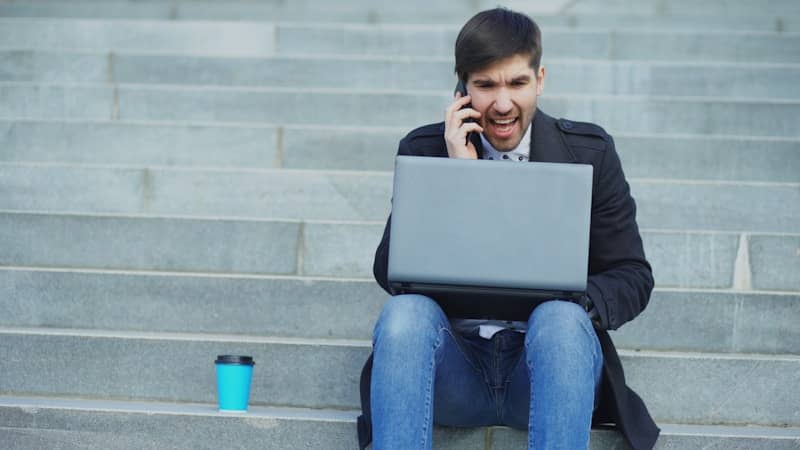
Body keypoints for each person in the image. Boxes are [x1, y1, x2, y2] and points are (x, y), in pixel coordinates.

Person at [357, 7, 659, 450]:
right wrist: (458, 180)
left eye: (517, 83)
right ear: (462, 88)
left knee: (559, 321)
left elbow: (632, 276)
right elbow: (391, 273)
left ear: (540, 79)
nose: (502, 103)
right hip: (453, 371)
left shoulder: (589, 154)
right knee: (404, 317)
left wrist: (568, 302)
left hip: (546, 372)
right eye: (485, 85)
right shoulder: (425, 150)